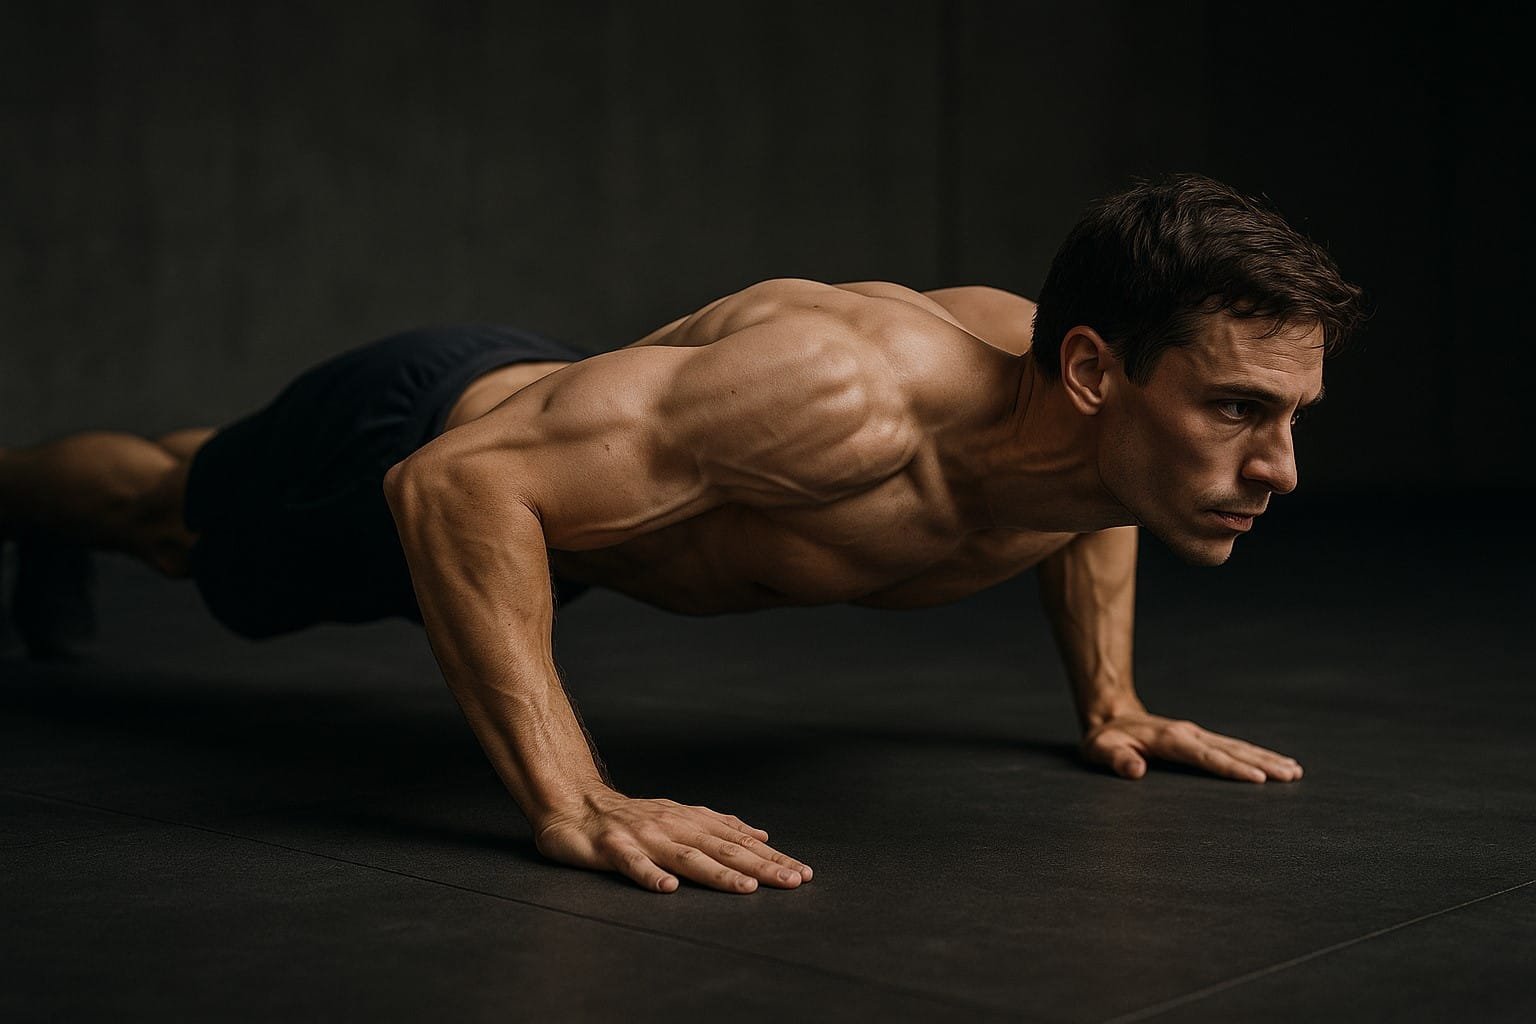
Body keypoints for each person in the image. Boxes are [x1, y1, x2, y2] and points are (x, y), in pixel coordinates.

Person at [0, 173, 1366, 895]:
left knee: (181, 511)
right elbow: (455, 491)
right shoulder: (850, 391)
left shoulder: (1085, 422)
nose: (1280, 467)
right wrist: (572, 800)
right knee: (169, 516)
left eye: (1290, 414)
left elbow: (1093, 495)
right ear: (1091, 371)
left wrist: (1113, 701)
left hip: (590, 492)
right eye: (1240, 409)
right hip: (424, 430)